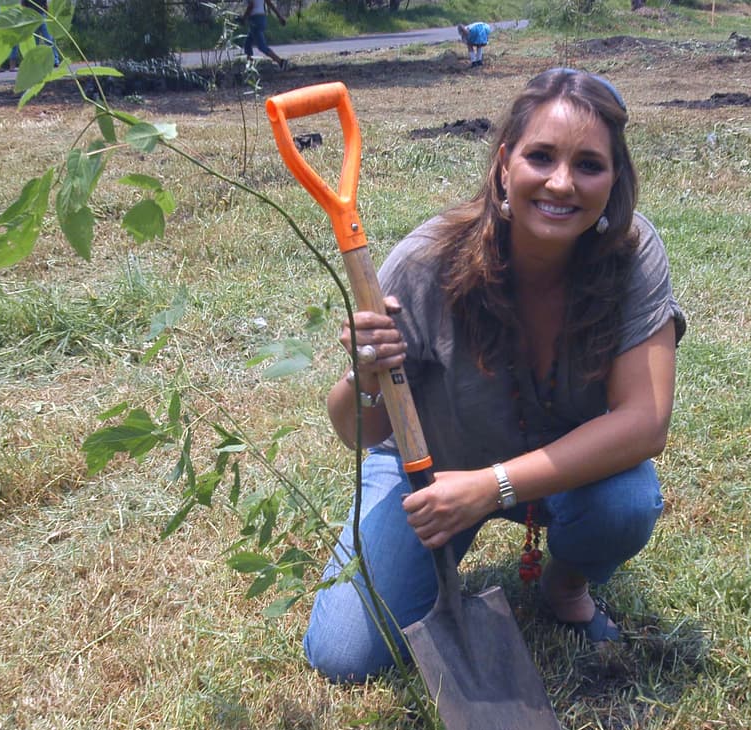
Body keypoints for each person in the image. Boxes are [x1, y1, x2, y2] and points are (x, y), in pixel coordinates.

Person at [304, 69, 686, 683]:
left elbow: (644, 424)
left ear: (614, 179)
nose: (561, 182)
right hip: (427, 470)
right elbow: (357, 430)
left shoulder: (632, 257)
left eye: (589, 165)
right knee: (345, 655)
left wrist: (491, 487)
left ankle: (565, 586)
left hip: (561, 473)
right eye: (541, 156)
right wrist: (366, 373)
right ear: (506, 162)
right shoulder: (427, 265)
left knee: (625, 502)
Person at [242, 0, 290, 69]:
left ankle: (281, 62)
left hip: (255, 19)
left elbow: (251, 5)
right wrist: (279, 17)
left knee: (262, 46)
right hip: (262, 18)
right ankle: (250, 67)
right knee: (248, 44)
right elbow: (269, 3)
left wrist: (243, 18)